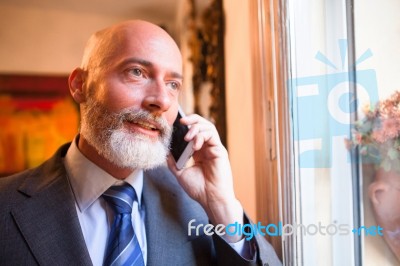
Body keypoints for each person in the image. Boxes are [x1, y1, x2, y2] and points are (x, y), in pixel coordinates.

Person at [0, 20, 281, 266]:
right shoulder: (6, 204)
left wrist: (222, 205)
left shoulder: (200, 208)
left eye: (173, 84)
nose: (161, 100)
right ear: (80, 85)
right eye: (137, 72)